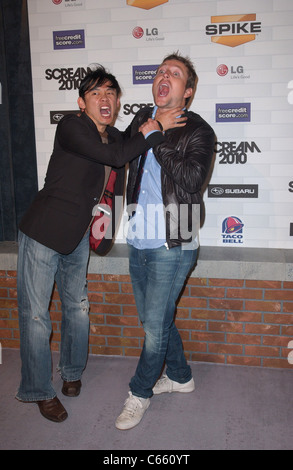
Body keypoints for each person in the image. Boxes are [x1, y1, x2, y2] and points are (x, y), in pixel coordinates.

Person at [15, 65, 183, 423]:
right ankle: (38, 390)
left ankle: (72, 372)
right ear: (82, 102)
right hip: (43, 232)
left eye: (110, 93)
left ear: (118, 101)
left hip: (76, 237)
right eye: (96, 93)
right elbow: (115, 158)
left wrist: (153, 121)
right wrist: (154, 130)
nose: (104, 99)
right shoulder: (73, 127)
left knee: (77, 307)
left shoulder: (114, 136)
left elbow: (124, 150)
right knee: (35, 316)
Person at [115, 52, 215, 430]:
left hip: (175, 240)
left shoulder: (200, 131)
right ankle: (180, 375)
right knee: (152, 319)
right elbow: (121, 153)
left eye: (174, 74)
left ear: (187, 92)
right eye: (160, 71)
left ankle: (139, 394)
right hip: (139, 236)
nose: (164, 76)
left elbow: (190, 179)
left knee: (154, 326)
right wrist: (150, 125)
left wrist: (157, 135)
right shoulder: (144, 117)